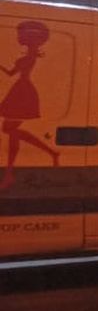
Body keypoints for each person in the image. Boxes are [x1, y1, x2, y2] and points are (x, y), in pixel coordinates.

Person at [1, 20, 60, 190]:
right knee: (11, 131)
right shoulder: (26, 56)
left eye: (22, 33)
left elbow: (19, 72)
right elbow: (11, 73)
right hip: (19, 90)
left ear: (32, 38)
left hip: (23, 93)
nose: (18, 36)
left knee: (10, 130)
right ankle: (51, 153)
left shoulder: (30, 56)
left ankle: (9, 174)